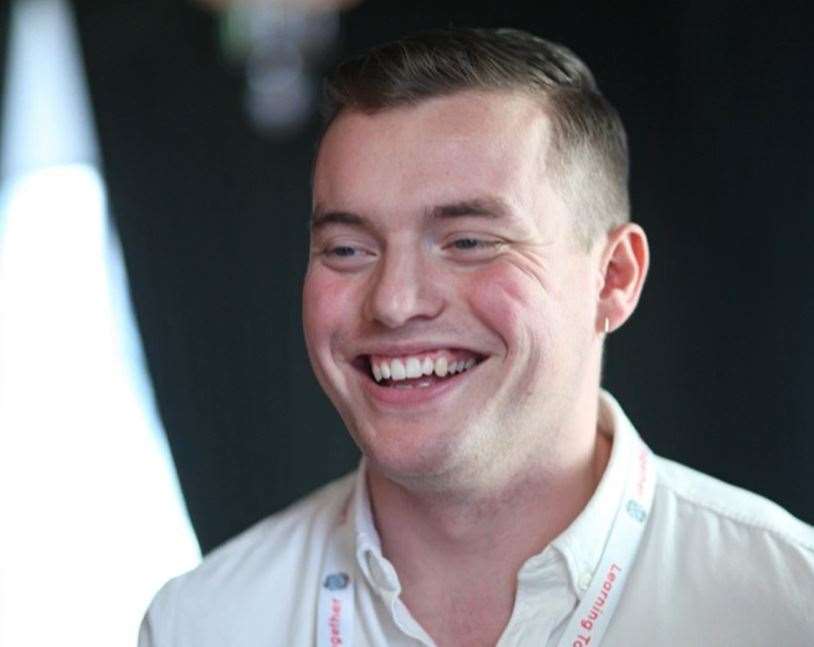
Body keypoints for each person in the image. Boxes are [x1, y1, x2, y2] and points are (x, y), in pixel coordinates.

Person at [138, 27, 814, 646]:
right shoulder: (204, 623)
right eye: (347, 249)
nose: (396, 303)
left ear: (613, 277)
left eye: (467, 241)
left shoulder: (786, 602)